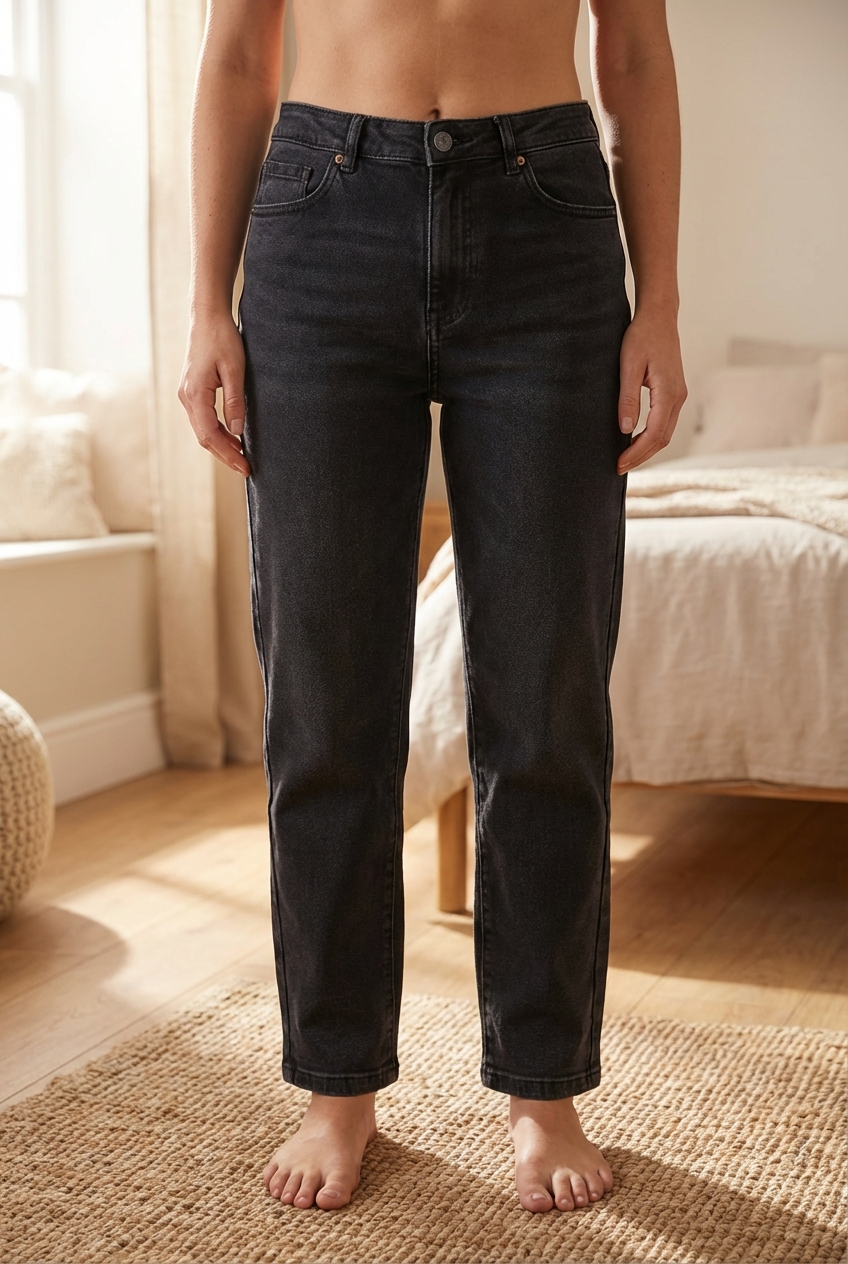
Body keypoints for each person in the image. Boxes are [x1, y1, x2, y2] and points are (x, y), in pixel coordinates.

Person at [178, 0, 687, 1216]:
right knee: (324, 699)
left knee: (545, 696)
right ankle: (336, 1081)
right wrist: (208, 303)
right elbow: (240, 53)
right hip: (318, 217)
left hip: (546, 218)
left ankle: (541, 1083)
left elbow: (632, 52)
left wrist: (656, 300)